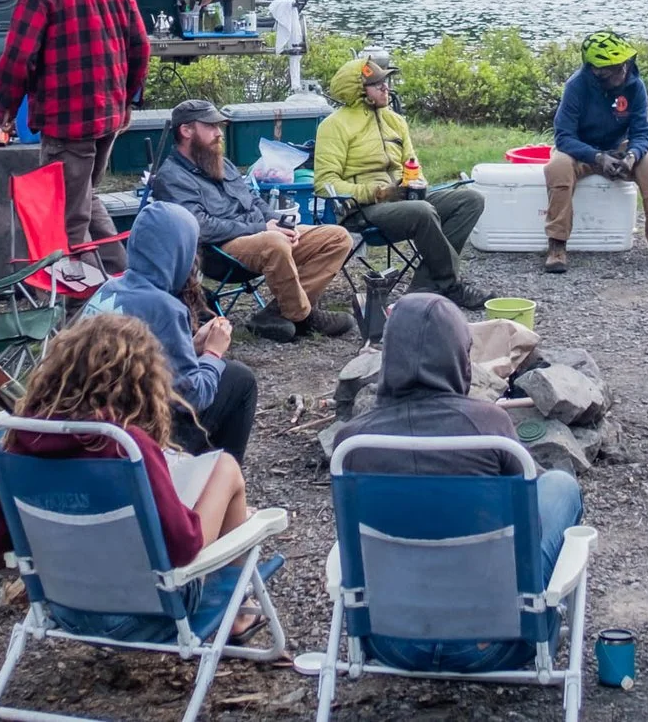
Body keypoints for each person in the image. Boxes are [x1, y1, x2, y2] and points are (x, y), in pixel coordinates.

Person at [330, 293, 585, 673]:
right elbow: (528, 518)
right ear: (459, 356)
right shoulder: (487, 428)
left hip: (389, 643)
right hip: (496, 642)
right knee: (560, 486)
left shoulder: (353, 443)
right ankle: (539, 618)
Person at [0, 313, 252, 573]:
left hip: (63, 603)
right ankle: (238, 612)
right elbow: (182, 548)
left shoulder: (17, 443)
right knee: (225, 468)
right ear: (141, 384)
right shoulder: (126, 446)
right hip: (151, 609)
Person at [0, 0, 151, 272]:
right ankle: (121, 276)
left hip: (68, 125)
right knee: (85, 196)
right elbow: (140, 47)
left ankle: (84, 310)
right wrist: (128, 100)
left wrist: (3, 107)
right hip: (107, 118)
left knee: (67, 219)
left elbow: (19, 58)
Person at [151, 96, 357, 342]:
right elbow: (199, 227)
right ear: (186, 130)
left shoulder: (221, 162)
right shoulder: (172, 177)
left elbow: (253, 199)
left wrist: (277, 223)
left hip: (259, 235)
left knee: (337, 237)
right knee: (275, 242)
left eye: (219, 127)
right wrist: (263, 228)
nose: (219, 133)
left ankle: (276, 313)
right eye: (211, 126)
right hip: (218, 251)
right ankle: (304, 316)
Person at [312, 53, 489, 310]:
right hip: (364, 210)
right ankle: (450, 285)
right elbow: (324, 183)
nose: (387, 88)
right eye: (378, 84)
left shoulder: (397, 121)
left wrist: (417, 181)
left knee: (471, 199)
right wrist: (377, 192)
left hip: (407, 200)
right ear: (358, 91)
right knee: (422, 210)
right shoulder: (334, 125)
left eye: (387, 82)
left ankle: (425, 285)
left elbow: (412, 165)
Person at [87, 201, 258, 463]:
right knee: (239, 378)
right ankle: (217, 477)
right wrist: (213, 353)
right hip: (139, 439)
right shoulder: (164, 306)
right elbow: (192, 395)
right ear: (179, 252)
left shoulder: (109, 288)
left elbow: (141, 361)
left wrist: (192, 345)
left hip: (95, 427)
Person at [544, 32, 648, 273]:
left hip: (619, 148)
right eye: (615, 69)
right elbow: (564, 136)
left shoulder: (635, 86)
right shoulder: (576, 86)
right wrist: (596, 157)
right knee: (558, 168)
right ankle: (557, 245)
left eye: (624, 66)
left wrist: (632, 156)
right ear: (597, 71)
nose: (623, 72)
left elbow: (642, 133)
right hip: (580, 150)